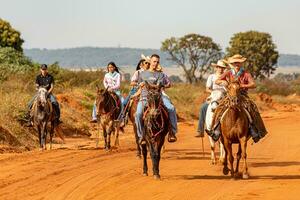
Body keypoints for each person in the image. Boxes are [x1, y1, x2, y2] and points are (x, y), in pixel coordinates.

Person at [210, 54, 267, 143]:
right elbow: (217, 81)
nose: (237, 64)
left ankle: (256, 130)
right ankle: (215, 129)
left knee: (253, 108)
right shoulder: (228, 72)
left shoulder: (246, 74)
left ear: (241, 64)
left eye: (238, 63)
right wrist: (223, 81)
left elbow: (253, 84)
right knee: (219, 108)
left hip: (243, 96)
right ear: (232, 63)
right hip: (230, 96)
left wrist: (242, 85)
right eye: (235, 62)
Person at [135, 54, 177, 144]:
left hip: (158, 97)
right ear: (150, 62)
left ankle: (172, 132)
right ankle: (141, 135)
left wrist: (148, 84)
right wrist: (141, 85)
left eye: (157, 62)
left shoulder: (160, 75)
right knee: (138, 113)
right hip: (145, 97)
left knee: (171, 108)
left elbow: (158, 86)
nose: (156, 63)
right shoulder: (142, 74)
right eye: (154, 61)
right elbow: (139, 85)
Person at [195, 60, 227, 137]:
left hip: (224, 95)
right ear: (216, 68)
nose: (221, 69)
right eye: (219, 67)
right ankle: (200, 130)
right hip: (214, 95)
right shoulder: (211, 77)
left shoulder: (227, 77)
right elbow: (207, 89)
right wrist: (213, 92)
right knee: (203, 108)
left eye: (222, 68)